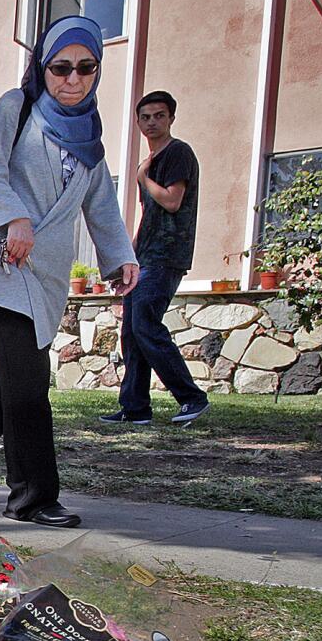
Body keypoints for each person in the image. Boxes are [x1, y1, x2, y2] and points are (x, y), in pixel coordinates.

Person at [0, 17, 139, 528]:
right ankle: (34, 497)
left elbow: (102, 203)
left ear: (97, 71)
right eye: (60, 67)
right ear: (42, 68)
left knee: (14, 382)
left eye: (85, 68)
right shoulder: (14, 108)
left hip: (47, 277)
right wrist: (12, 217)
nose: (73, 79)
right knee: (29, 383)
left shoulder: (91, 136)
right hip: (3, 264)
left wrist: (120, 256)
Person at [100, 90, 210, 426]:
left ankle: (192, 398)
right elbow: (148, 217)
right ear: (138, 121)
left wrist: (143, 177)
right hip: (145, 257)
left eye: (159, 115)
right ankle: (135, 409)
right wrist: (127, 259)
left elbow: (173, 201)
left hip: (167, 255)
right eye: (145, 117)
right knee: (132, 332)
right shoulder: (149, 161)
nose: (151, 122)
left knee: (146, 325)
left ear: (171, 118)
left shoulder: (178, 153)